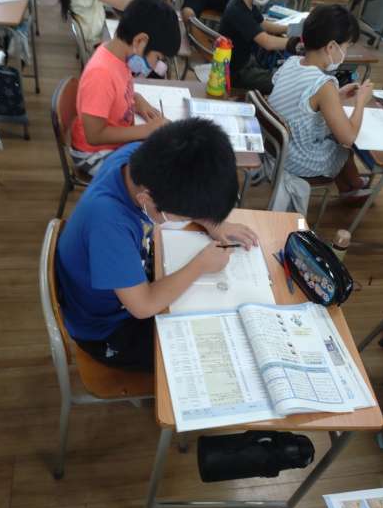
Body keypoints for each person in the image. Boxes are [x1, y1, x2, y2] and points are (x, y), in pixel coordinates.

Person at [57, 117, 258, 371]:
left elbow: (178, 192)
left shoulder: (138, 160)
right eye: (182, 217)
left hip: (127, 287)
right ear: (147, 200)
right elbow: (143, 305)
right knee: (209, 357)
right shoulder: (109, 224)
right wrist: (200, 265)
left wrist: (213, 223)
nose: (185, 220)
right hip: (108, 329)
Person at [268, 4, 374, 200]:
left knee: (333, 137)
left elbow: (303, 102)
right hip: (295, 160)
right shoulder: (324, 85)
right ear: (331, 47)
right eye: (346, 46)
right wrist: (361, 102)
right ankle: (354, 188)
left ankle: (350, 187)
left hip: (275, 149)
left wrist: (337, 96)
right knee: (344, 149)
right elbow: (348, 138)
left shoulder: (292, 63)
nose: (346, 52)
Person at [70, 0, 181, 176]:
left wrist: (137, 100)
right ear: (140, 41)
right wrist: (146, 130)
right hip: (94, 155)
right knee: (163, 173)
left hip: (115, 142)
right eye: (158, 58)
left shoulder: (120, 57)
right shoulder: (100, 73)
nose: (156, 66)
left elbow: (119, 92)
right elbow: (94, 135)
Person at [219, 0, 288, 95]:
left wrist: (290, 29)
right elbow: (267, 42)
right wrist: (294, 42)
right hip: (235, 73)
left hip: (245, 63)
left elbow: (263, 25)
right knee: (282, 85)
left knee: (278, 75)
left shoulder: (245, 2)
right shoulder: (238, 10)